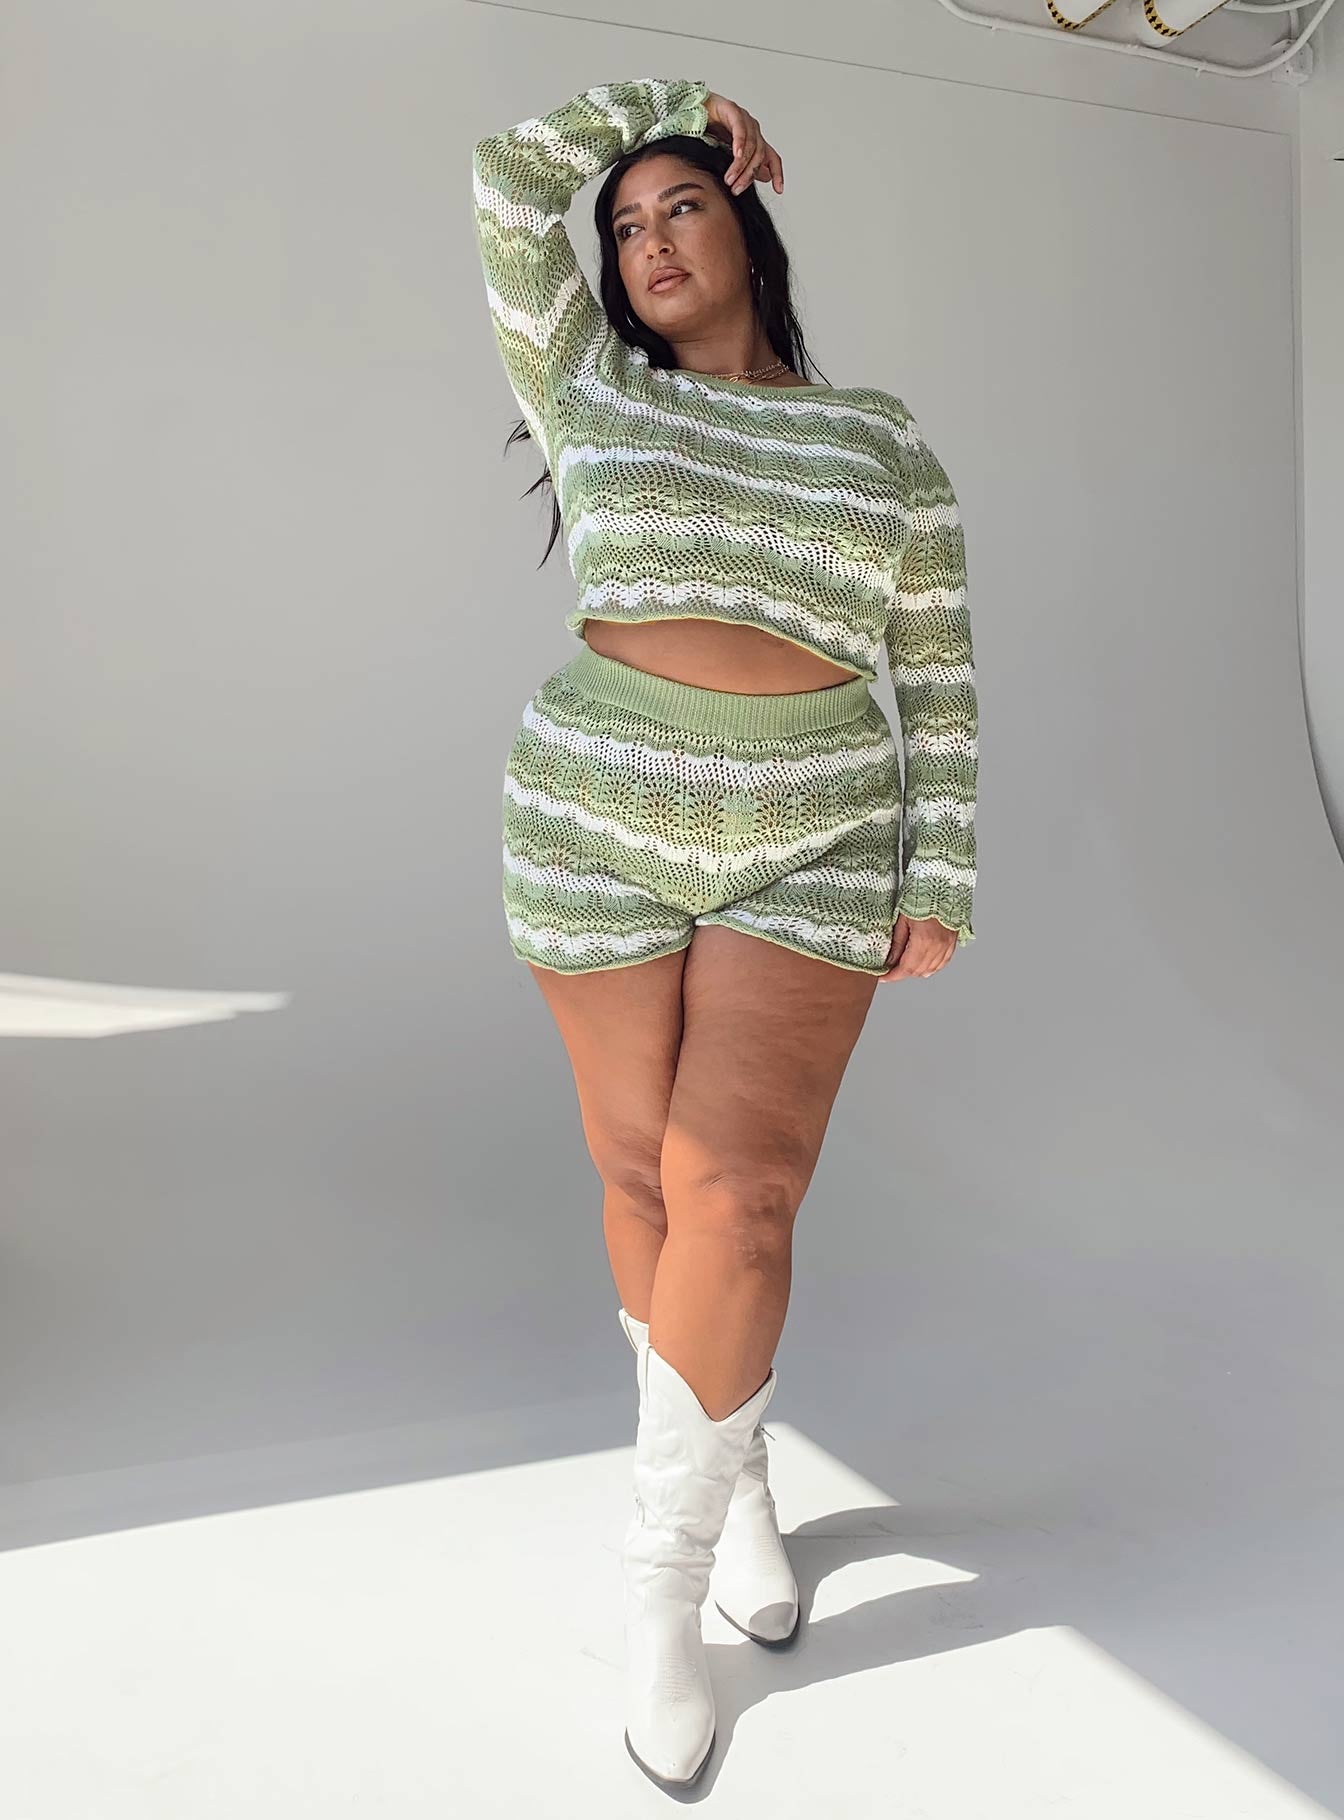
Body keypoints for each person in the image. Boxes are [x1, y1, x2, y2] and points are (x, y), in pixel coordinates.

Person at [471, 78, 978, 1790]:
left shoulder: (878, 441)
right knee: (642, 1180)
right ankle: (738, 1471)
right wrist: (662, 107)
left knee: (740, 1192)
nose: (646, 240)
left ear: (748, 224)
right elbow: (506, 176)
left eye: (681, 200)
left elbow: (938, 671)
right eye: (624, 226)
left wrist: (940, 870)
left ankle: (659, 1589)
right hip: (593, 818)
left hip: (816, 840)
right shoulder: (589, 383)